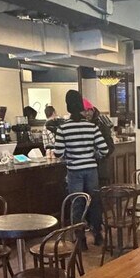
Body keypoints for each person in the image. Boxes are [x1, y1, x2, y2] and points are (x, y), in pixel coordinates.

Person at [53, 90, 110, 245]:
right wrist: (93, 154)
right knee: (94, 202)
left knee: (77, 203)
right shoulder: (91, 127)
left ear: (68, 106)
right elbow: (104, 150)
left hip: (74, 171)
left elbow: (58, 152)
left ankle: (81, 239)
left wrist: (69, 153)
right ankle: (98, 235)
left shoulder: (63, 128)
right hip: (91, 170)